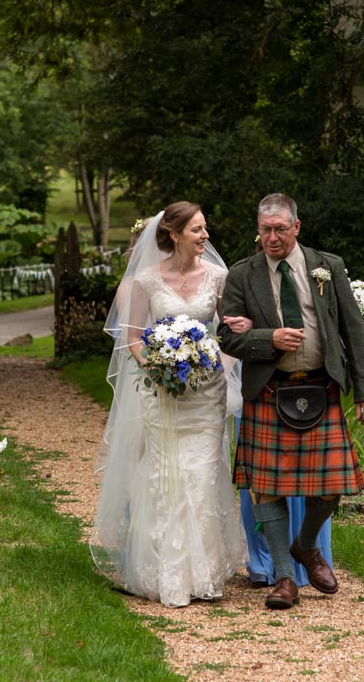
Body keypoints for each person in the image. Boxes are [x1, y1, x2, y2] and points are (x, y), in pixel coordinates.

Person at [217, 193, 364, 610]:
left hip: (321, 387)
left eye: (280, 229)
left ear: (297, 227)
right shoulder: (242, 275)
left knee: (332, 484)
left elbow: (353, 328)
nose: (272, 237)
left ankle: (306, 546)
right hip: (270, 389)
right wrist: (266, 339)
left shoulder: (328, 266)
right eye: (265, 229)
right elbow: (226, 336)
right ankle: (284, 580)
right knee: (266, 489)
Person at [90, 202, 248, 607]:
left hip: (205, 394)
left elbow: (229, 333)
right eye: (197, 229)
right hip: (162, 394)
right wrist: (159, 370)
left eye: (206, 228)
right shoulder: (145, 281)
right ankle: (166, 572)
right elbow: (134, 339)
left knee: (201, 474)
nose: (206, 236)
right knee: (166, 475)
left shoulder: (218, 276)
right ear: (174, 234)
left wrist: (217, 368)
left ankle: (203, 575)